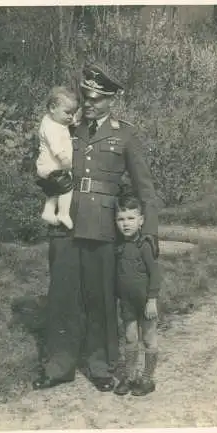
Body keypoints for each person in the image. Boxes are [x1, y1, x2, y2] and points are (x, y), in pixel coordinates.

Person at [32, 62, 159, 393]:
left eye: (96, 99)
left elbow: (145, 188)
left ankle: (100, 365)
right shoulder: (67, 127)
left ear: (112, 100)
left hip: (103, 226)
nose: (88, 105)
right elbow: (46, 163)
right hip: (66, 223)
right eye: (85, 97)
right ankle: (59, 365)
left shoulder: (125, 134)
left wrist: (150, 232)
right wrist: (47, 183)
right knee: (62, 296)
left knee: (101, 297)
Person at [113, 194, 161, 397]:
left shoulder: (145, 245)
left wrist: (152, 299)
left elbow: (155, 274)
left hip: (145, 302)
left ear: (141, 220)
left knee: (148, 338)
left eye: (131, 218)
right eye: (121, 219)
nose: (126, 224)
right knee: (130, 337)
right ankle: (130, 376)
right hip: (127, 302)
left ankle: (147, 379)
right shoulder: (119, 246)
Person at [35, 86, 79, 230]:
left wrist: (73, 120)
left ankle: (48, 212)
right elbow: (54, 145)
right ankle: (63, 213)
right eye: (67, 113)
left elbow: (68, 121)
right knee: (67, 188)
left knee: (54, 192)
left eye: (73, 114)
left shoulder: (53, 120)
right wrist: (64, 159)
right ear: (53, 108)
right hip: (53, 166)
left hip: (47, 168)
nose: (70, 117)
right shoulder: (50, 127)